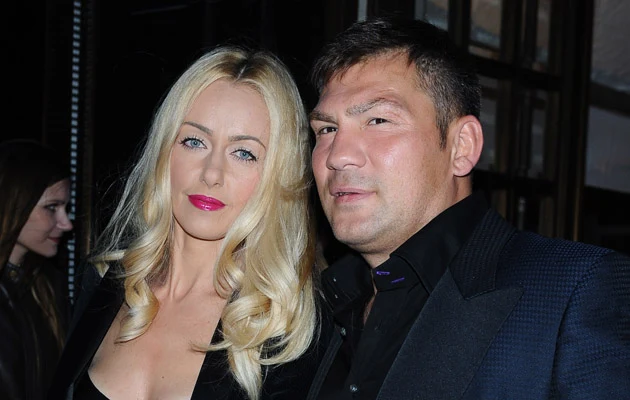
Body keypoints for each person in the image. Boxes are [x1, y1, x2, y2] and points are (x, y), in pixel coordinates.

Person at [306, 17, 630, 400]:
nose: (337, 156)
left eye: (378, 120)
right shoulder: (313, 312)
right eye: (327, 129)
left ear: (462, 146)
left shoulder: (574, 293)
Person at [48, 46, 328, 399]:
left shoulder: (290, 328)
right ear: (165, 150)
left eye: (244, 153)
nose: (211, 173)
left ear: (278, 175)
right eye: (194, 141)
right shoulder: (103, 282)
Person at [0, 140, 73, 400]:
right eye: (52, 207)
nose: (66, 223)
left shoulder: (46, 287)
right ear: (12, 203)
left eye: (66, 208)